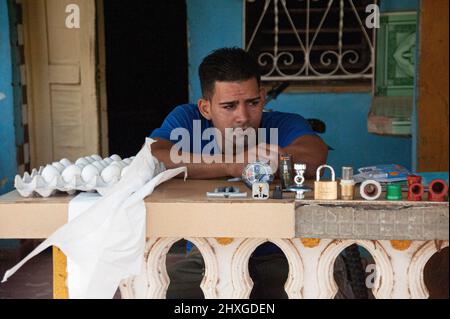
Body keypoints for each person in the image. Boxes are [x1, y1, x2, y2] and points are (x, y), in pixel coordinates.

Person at [149, 47, 328, 299]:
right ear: (205, 108)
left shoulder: (282, 123)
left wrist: (273, 158)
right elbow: (156, 155)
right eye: (229, 106)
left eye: (253, 103)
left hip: (278, 253)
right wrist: (232, 164)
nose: (243, 116)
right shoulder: (187, 121)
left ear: (263, 97)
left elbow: (315, 154)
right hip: (205, 254)